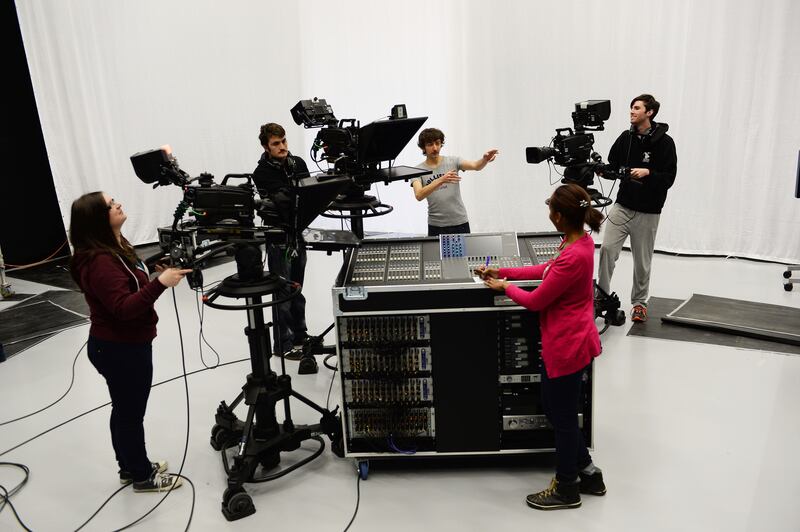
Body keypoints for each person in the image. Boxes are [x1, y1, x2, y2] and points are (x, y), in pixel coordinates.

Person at [477, 184, 606, 510]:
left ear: (560, 217)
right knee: (557, 410)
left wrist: (505, 287)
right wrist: (502, 271)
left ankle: (567, 488)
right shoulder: (579, 241)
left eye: (551, 211)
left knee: (561, 417)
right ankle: (589, 472)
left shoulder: (573, 256)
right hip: (571, 341)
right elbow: (544, 271)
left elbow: (536, 300)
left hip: (566, 345)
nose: (549, 215)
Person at [69, 191, 190, 492]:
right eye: (111, 205)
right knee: (130, 414)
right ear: (98, 218)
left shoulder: (114, 247)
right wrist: (160, 284)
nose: (119, 204)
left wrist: (151, 272)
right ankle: (141, 476)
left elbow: (128, 281)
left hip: (122, 345)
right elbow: (123, 308)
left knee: (124, 410)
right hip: (118, 348)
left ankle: (130, 466)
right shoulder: (99, 261)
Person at [597, 94, 677, 322]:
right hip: (622, 206)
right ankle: (602, 296)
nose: (631, 112)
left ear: (649, 112)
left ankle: (639, 303)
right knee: (607, 250)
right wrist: (603, 171)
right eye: (631, 108)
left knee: (642, 261)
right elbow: (613, 166)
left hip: (649, 212)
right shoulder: (625, 138)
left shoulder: (665, 142)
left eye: (636, 108)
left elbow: (669, 178)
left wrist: (648, 173)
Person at [251, 122, 311, 356]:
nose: (282, 146)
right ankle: (283, 345)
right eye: (276, 143)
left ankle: (300, 335)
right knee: (282, 291)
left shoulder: (298, 164)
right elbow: (286, 201)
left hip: (298, 233)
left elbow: (306, 196)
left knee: (297, 287)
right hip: (278, 236)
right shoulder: (262, 173)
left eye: (284, 141)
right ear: (266, 147)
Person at [411, 127, 498, 236]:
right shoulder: (417, 170)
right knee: (437, 253)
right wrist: (441, 180)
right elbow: (419, 195)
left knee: (465, 253)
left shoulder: (453, 161)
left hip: (460, 222)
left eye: (438, 143)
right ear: (423, 147)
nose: (435, 148)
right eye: (430, 144)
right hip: (436, 225)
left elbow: (476, 166)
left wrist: (484, 160)